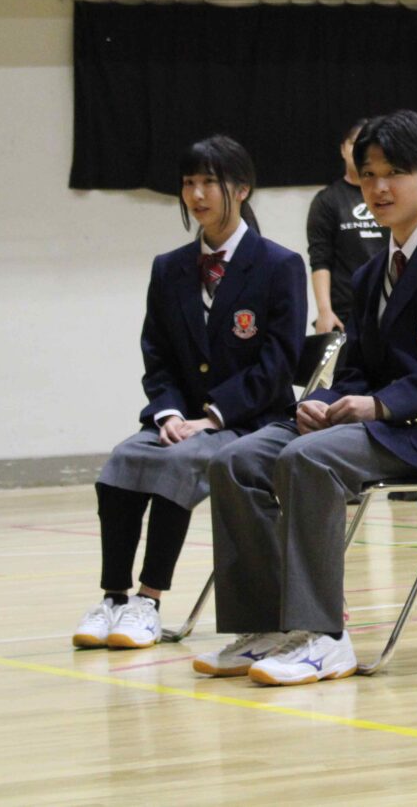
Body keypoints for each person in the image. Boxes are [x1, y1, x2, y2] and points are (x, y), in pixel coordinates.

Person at [193, 110, 417, 685]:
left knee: (308, 459)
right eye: (368, 175)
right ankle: (265, 625)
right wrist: (325, 400)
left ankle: (324, 636)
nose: (379, 187)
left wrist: (382, 405)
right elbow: (359, 371)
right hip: (373, 424)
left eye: (394, 173)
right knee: (235, 461)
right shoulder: (370, 274)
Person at [73, 137, 305, 650]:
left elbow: (277, 365)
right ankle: (114, 598)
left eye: (209, 183)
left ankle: (149, 601)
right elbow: (157, 355)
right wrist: (169, 413)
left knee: (178, 465)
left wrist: (214, 417)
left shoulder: (279, 265)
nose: (197, 195)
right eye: (188, 183)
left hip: (248, 422)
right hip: (181, 421)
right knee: (122, 462)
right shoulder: (169, 267)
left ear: (241, 189)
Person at [306, 118, 384, 335]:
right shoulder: (326, 200)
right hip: (345, 313)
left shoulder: (386, 194)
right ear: (343, 149)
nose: (359, 150)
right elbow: (320, 259)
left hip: (388, 304)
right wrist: (324, 311)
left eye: (366, 145)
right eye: (353, 143)